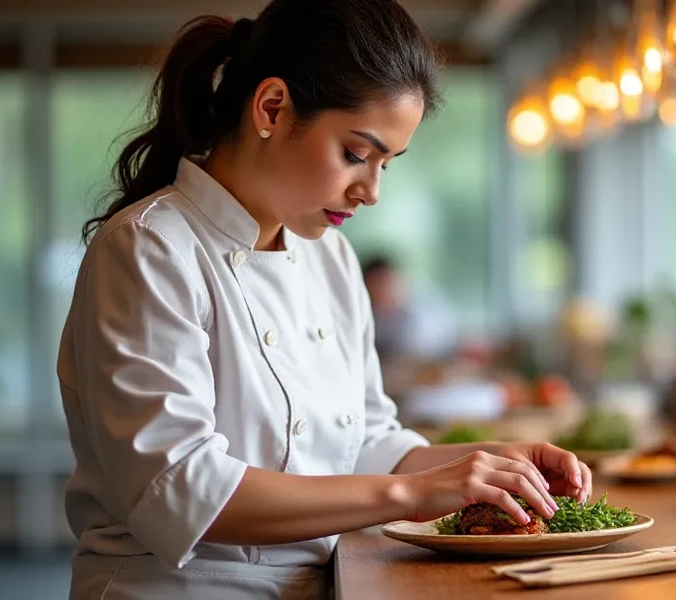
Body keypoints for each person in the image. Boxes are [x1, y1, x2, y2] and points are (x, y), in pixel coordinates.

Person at [56, 1, 593, 598]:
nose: (371, 192)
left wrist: (488, 464)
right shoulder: (148, 249)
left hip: (328, 582)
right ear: (272, 107)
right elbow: (179, 487)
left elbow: (361, 443)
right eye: (356, 154)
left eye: (386, 163)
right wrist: (413, 494)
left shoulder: (330, 258)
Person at [361, 254, 459, 363]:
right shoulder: (371, 316)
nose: (380, 292)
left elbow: (433, 346)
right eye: (374, 287)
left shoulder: (424, 303)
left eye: (382, 283)